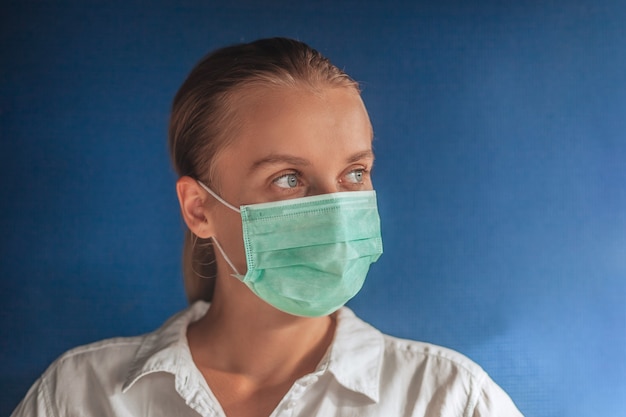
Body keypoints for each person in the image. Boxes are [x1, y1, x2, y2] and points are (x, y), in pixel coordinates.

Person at [11, 37, 523, 417]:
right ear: (199, 210)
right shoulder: (80, 395)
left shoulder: (447, 399)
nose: (334, 206)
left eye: (354, 173)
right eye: (288, 178)